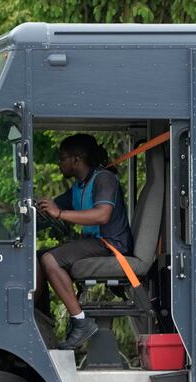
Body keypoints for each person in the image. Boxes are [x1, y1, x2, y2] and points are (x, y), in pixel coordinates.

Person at [36, 134, 133, 350]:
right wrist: (10, 209)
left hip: (111, 245)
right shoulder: (80, 186)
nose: (59, 163)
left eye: (62, 158)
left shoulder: (104, 179)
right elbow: (50, 210)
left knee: (51, 259)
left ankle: (81, 322)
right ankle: (39, 317)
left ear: (76, 160)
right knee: (38, 257)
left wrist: (60, 213)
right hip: (95, 243)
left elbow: (102, 215)